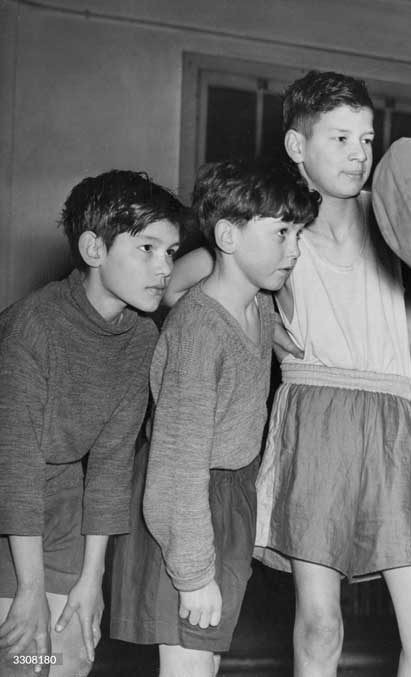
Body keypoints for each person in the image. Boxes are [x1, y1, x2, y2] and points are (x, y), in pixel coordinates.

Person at [165, 71, 411, 677]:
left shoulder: (393, 215)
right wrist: (262, 325)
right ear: (298, 148)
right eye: (341, 139)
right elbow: (176, 284)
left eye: (367, 139)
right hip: (316, 413)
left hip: (391, 418)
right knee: (322, 624)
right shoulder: (276, 224)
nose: (359, 154)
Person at [109, 158, 319, 677]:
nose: (294, 250)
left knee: (206, 665)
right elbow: (177, 466)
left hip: (227, 503)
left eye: (297, 234)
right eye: (281, 234)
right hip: (186, 510)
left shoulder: (259, 306)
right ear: (227, 236)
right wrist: (193, 573)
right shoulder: (197, 333)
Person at [0, 171, 185, 676]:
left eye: (170, 252)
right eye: (147, 248)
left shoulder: (141, 338)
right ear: (93, 248)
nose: (164, 267)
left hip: (61, 506)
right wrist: (31, 589)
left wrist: (91, 578)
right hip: (10, 507)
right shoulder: (32, 327)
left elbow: (109, 465)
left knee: (67, 658)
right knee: (23, 660)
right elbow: (14, 469)